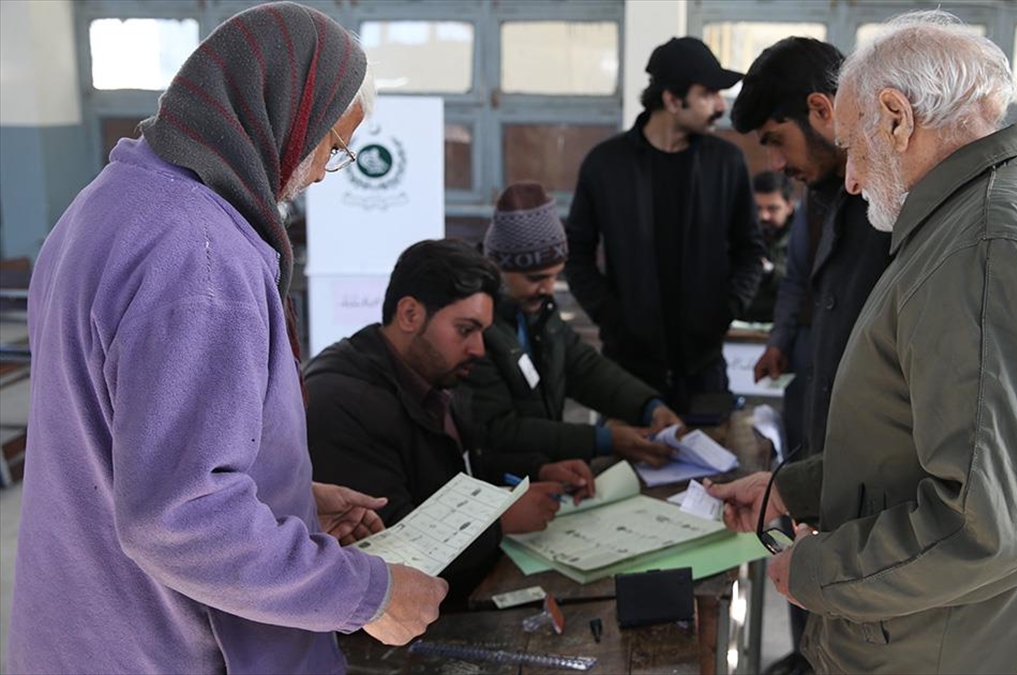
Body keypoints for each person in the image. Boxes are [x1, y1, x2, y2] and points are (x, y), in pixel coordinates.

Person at [7, 4, 446, 673]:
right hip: (158, 647)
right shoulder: (201, 257)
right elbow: (179, 518)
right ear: (284, 116)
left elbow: (119, 439)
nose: (323, 173)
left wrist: (283, 498)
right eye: (334, 146)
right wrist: (365, 594)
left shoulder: (112, 199)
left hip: (78, 626)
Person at [708, 11, 1017, 673]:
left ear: (898, 118)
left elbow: (985, 524)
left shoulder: (984, 244)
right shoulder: (999, 202)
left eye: (855, 145)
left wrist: (817, 570)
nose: (850, 178)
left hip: (951, 646)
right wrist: (794, 491)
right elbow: (917, 438)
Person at [306, 239, 597, 603]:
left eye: (482, 332)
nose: (479, 349)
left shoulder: (429, 372)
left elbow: (458, 464)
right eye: (465, 329)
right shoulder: (342, 405)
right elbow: (387, 551)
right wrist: (499, 523)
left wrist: (535, 469)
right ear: (410, 314)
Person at [732, 37, 894, 674]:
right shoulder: (821, 194)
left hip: (873, 454)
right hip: (823, 426)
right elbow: (800, 281)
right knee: (806, 559)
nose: (776, 162)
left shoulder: (890, 202)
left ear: (822, 110)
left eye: (777, 140)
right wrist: (780, 340)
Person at [566, 36, 765, 413]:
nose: (720, 106)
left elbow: (750, 250)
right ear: (673, 100)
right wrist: (612, 319)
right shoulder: (605, 164)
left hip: (705, 367)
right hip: (626, 368)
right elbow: (576, 254)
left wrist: (725, 309)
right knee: (624, 453)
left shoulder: (727, 162)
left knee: (713, 450)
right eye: (708, 94)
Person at [465, 182, 683, 468]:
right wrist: (605, 440)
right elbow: (499, 429)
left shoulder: (539, 312)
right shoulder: (475, 330)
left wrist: (648, 406)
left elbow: (584, 368)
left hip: (550, 472)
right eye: (536, 278)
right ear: (499, 267)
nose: (549, 288)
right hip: (505, 486)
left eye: (555, 275)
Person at [740, 171, 800, 323]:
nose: (764, 216)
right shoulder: (737, 231)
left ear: (789, 206)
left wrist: (770, 272)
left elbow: (802, 283)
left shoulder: (803, 236)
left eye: (772, 209)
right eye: (757, 208)